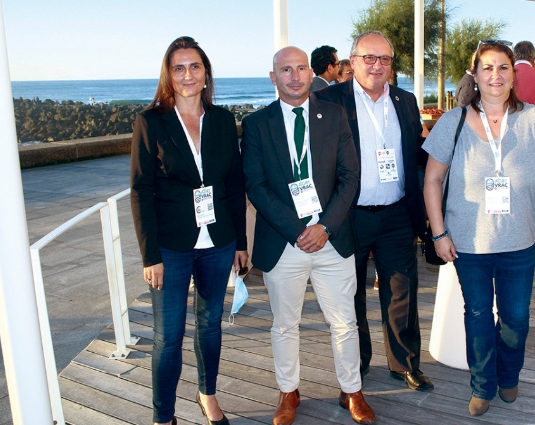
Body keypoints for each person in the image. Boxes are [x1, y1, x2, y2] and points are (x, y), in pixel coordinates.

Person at [423, 40, 535, 416]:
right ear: (474, 75)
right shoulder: (452, 121)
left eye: (503, 67)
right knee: (477, 315)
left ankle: (509, 376)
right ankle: (482, 386)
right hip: (468, 244)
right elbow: (431, 181)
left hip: (520, 241)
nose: (495, 75)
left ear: (514, 73)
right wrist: (439, 234)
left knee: (515, 319)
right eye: (487, 68)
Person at [242, 46, 376, 425]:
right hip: (284, 242)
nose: (295, 76)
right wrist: (298, 230)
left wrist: (324, 227)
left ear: (308, 72)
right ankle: (288, 391)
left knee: (344, 322)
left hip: (333, 239)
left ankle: (352, 390)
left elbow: (351, 177)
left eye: (301, 68)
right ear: (274, 78)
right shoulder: (257, 125)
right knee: (285, 324)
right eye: (286, 70)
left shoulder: (334, 115)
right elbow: (256, 185)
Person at [130, 36, 248, 425]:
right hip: (170, 248)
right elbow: (140, 190)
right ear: (168, 74)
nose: (187, 74)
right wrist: (150, 256)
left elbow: (234, 184)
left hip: (218, 241)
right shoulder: (150, 122)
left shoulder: (221, 120)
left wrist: (240, 244)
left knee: (210, 323)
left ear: (206, 72)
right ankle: (163, 416)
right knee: (167, 336)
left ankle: (207, 394)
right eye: (179, 67)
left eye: (194, 66)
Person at [314, 30, 433, 391]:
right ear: (352, 62)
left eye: (384, 59)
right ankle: (358, 364)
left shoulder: (406, 101)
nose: (377, 66)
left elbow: (416, 154)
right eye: (369, 58)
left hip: (397, 213)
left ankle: (406, 364)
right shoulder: (329, 100)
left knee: (402, 292)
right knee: (350, 295)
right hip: (348, 216)